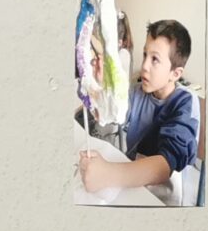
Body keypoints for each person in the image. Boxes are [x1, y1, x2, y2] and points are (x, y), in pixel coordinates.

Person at [79, 19, 199, 196]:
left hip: (163, 194)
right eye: (145, 55)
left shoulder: (185, 102)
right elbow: (111, 116)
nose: (144, 66)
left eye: (155, 59)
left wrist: (106, 174)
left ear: (175, 74)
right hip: (133, 179)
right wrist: (101, 86)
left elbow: (164, 165)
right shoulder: (137, 92)